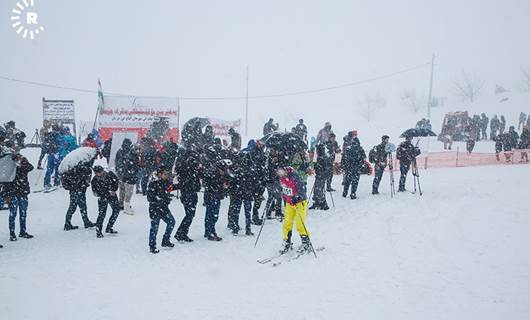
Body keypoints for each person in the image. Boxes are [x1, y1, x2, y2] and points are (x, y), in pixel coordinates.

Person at [277, 166, 311, 254]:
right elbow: (283, 189)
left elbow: (303, 191)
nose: (280, 174)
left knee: (300, 224)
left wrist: (297, 197)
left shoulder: (295, 176)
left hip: (300, 203)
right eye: (278, 172)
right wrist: (279, 191)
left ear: (285, 170)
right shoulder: (282, 178)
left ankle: (306, 243)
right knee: (287, 223)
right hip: (289, 203)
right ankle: (287, 242)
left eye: (281, 171)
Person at [1, 154, 34, 241]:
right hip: (13, 194)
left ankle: (22, 232)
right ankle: (12, 234)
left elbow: (31, 167)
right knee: (13, 214)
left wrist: (24, 160)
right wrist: (6, 196)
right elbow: (5, 183)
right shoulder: (8, 169)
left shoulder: (22, 167)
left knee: (22, 214)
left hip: (22, 193)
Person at [173, 148, 202, 242]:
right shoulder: (186, 168)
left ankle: (183, 233)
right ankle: (180, 233)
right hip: (188, 192)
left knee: (190, 214)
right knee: (190, 214)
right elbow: (184, 180)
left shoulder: (188, 167)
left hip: (190, 192)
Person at [147, 166, 176, 254]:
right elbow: (150, 197)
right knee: (154, 228)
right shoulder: (153, 183)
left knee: (171, 222)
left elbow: (170, 188)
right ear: (160, 174)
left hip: (164, 208)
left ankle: (165, 240)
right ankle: (152, 246)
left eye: (168, 174)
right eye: (165, 174)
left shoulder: (166, 182)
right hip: (155, 209)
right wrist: (161, 199)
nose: (167, 176)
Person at [62, 159, 95, 230]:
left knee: (72, 207)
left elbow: (66, 180)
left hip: (73, 190)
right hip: (80, 190)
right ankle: (86, 222)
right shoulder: (83, 167)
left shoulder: (70, 167)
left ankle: (67, 223)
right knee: (82, 207)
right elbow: (85, 178)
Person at [203, 159, 232, 241]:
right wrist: (222, 186)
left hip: (215, 196)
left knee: (211, 215)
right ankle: (210, 232)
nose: (226, 170)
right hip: (212, 197)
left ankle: (209, 231)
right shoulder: (213, 174)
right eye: (225, 169)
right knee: (212, 215)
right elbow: (213, 186)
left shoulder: (217, 174)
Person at [227, 154, 254, 236]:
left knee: (236, 211)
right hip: (246, 193)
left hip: (238, 193)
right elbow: (253, 182)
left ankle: (235, 228)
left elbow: (233, 181)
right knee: (247, 212)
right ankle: (248, 229)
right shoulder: (251, 170)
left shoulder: (237, 170)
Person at [91, 165, 121, 238]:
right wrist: (106, 193)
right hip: (102, 197)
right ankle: (98, 231)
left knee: (116, 210)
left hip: (112, 195)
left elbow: (116, 181)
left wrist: (114, 190)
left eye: (100, 172)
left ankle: (109, 227)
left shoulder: (110, 174)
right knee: (102, 214)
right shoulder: (94, 180)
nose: (99, 174)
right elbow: (95, 192)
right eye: (97, 173)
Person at [115, 138, 140, 214]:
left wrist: (118, 170)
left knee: (122, 189)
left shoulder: (119, 151)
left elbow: (116, 161)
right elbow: (130, 164)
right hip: (127, 174)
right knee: (128, 191)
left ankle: (121, 204)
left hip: (121, 173)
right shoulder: (130, 152)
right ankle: (126, 205)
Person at [309, 144, 330, 210]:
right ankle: (317, 203)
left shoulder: (323, 157)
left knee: (319, 190)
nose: (316, 151)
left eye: (317, 150)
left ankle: (323, 204)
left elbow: (325, 168)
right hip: (319, 176)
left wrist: (319, 170)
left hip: (321, 177)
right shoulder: (321, 157)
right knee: (316, 190)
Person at [43, 124, 62, 190]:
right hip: (57, 154)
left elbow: (45, 144)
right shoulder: (59, 136)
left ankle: (46, 182)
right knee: (57, 168)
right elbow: (61, 144)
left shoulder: (49, 135)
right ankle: (56, 182)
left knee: (49, 169)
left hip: (50, 154)